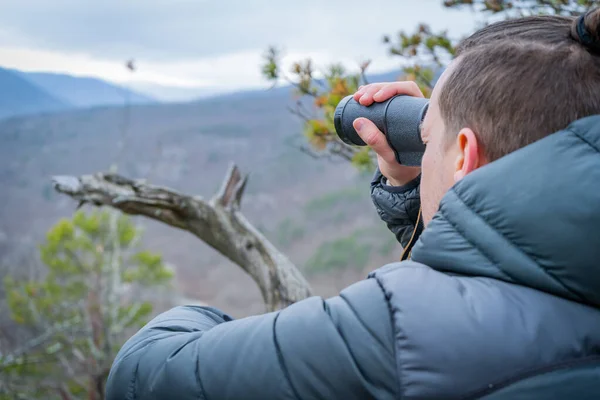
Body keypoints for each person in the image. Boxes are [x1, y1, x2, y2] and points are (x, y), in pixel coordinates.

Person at [106, 10, 600, 400]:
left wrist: (201, 316)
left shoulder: (398, 330)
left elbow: (141, 375)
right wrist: (418, 193)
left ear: (465, 156)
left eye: (429, 140)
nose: (424, 152)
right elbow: (525, 265)